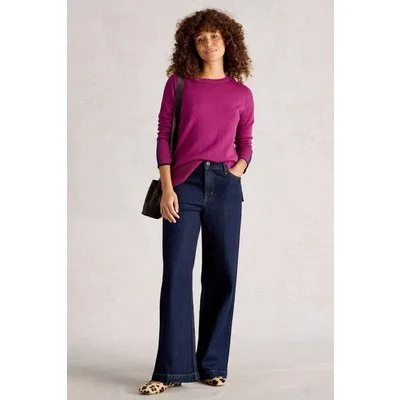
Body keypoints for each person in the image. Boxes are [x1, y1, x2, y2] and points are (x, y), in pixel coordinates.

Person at [139, 8, 255, 395]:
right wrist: (168, 187)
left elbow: (245, 142)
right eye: (201, 38)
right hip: (183, 185)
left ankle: (212, 365)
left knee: (222, 274)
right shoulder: (178, 84)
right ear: (192, 44)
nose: (208, 44)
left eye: (214, 37)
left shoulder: (241, 94)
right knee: (176, 274)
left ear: (228, 41)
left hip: (225, 186)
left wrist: (237, 169)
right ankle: (170, 369)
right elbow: (163, 135)